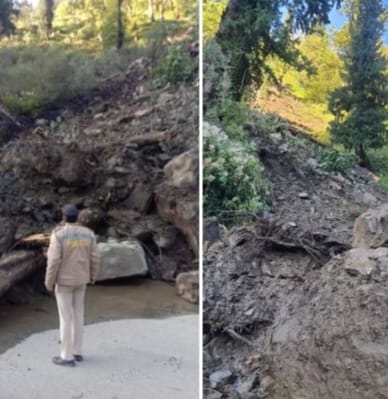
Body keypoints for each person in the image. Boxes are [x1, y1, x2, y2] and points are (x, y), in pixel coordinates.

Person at [45, 204, 100, 367]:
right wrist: (93, 277)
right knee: (78, 315)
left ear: (63, 217)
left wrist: (49, 282)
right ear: (78, 217)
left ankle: (66, 356)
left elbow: (53, 261)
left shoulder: (59, 235)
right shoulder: (89, 234)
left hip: (64, 283)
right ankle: (77, 352)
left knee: (65, 318)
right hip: (81, 280)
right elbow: (96, 257)